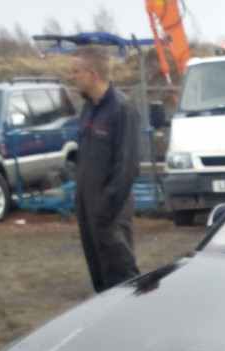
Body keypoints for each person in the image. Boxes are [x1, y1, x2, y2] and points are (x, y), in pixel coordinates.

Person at [69, 48, 140, 293]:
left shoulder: (121, 109)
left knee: (122, 278)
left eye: (76, 71)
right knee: (100, 277)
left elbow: (127, 167)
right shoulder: (89, 108)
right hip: (88, 209)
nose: (72, 77)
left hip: (110, 212)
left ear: (92, 74)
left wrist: (105, 209)